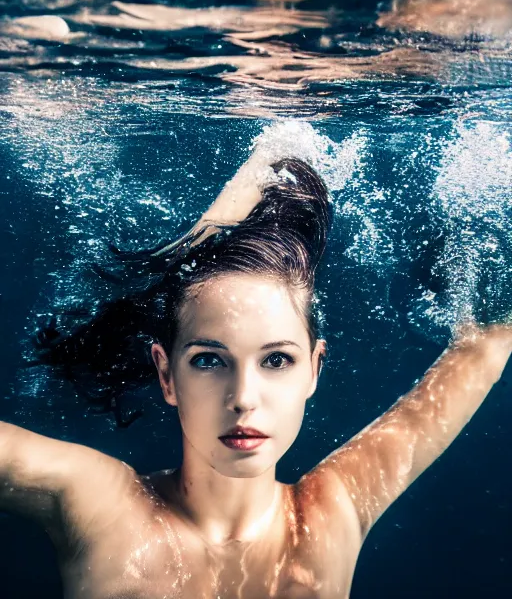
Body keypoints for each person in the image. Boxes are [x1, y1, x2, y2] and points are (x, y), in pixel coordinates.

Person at [1, 139, 511, 599]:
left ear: (313, 370)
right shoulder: (99, 505)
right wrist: (186, 250)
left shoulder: (330, 515)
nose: (243, 397)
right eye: (208, 360)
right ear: (166, 374)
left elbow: (484, 346)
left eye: (276, 360)